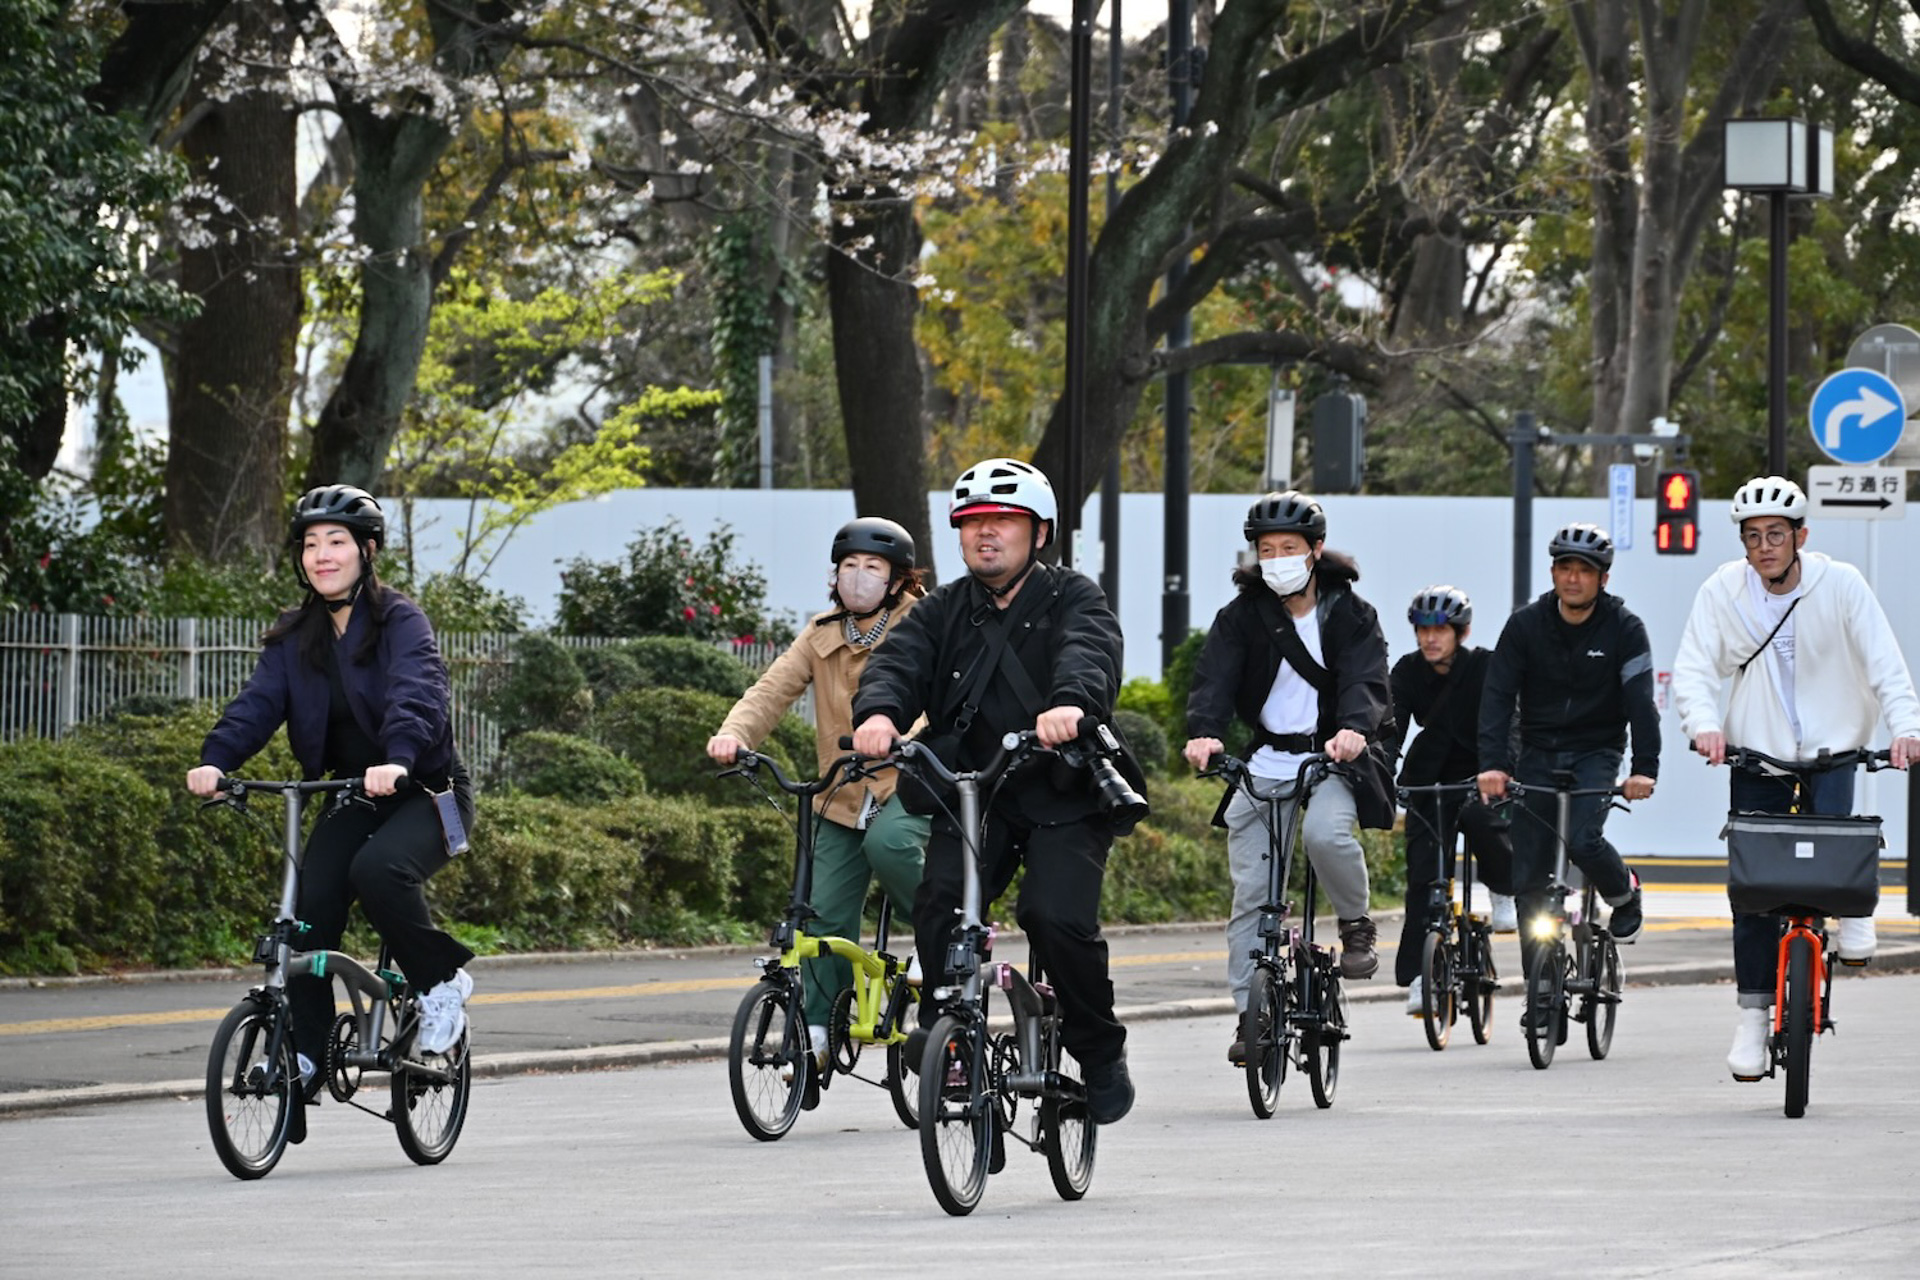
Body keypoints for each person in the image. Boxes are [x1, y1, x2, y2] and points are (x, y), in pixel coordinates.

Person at [851, 457, 1137, 1125]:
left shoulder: (1075, 596)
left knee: (1054, 917)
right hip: (978, 791)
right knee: (940, 901)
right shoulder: (942, 610)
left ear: (1039, 533)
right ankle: (945, 1024)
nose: (986, 533)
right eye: (973, 522)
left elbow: (1090, 652)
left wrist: (1071, 704)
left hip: (1064, 789)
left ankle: (1099, 1051)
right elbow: (897, 662)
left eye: (1004, 520)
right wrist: (880, 714)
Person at [187, 486, 476, 1139]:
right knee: (308, 910)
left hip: (427, 791)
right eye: (311, 544)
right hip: (352, 793)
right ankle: (308, 1056)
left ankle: (440, 983)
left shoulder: (401, 621)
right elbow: (257, 704)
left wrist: (398, 757)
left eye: (336, 542)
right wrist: (216, 760)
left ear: (367, 551)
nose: (322, 555)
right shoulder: (296, 636)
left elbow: (417, 694)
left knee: (378, 870)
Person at [1670, 475, 1920, 1080]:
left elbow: (1884, 662)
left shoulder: (1842, 584)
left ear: (1800, 537)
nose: (1764, 547)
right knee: (1753, 893)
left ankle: (1855, 912)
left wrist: (1906, 727)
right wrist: (1705, 726)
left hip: (1834, 746)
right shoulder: (1723, 591)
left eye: (1776, 534)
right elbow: (1694, 667)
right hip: (1758, 754)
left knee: (1838, 843)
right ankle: (1753, 1019)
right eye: (1753, 536)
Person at [707, 518, 930, 1100]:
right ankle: (817, 1035)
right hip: (842, 791)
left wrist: (905, 739)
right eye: (849, 566)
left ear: (898, 580)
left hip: (907, 785)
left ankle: (946, 935)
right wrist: (733, 734)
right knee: (819, 913)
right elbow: (771, 690)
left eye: (873, 567)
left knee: (891, 845)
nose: (858, 577)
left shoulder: (923, 624)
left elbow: (939, 702)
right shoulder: (820, 633)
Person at [1182, 490, 1397, 1067]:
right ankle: (1249, 1015)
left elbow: (1366, 680)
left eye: (1289, 548)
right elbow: (1213, 681)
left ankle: (1355, 923)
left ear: (1315, 550)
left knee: (1325, 834)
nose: (1276, 559)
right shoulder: (1242, 616)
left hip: (1331, 758)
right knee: (1252, 897)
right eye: (1267, 549)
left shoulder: (1351, 614)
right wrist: (1204, 733)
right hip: (1266, 761)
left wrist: (1353, 730)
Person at [1477, 522, 1656, 1015]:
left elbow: (1641, 702)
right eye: (1565, 568)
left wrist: (1645, 768)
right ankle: (1539, 990)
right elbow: (1496, 699)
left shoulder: (1624, 629)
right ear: (1553, 572)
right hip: (1537, 752)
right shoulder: (1525, 626)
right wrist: (1493, 764)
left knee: (1582, 839)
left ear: (1603, 579)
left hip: (1597, 751)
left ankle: (1624, 892)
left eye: (1585, 571)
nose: (1573, 578)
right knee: (1529, 876)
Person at [1383, 585, 1517, 1017]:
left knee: (1483, 820)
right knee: (1423, 877)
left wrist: (1501, 769)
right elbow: (1390, 728)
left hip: (1482, 771)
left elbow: (1506, 723)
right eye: (1423, 630)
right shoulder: (1407, 671)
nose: (1429, 638)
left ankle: (1502, 889)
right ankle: (1420, 977)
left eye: (1439, 630)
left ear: (1462, 632)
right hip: (1429, 777)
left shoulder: (1485, 666)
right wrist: (1381, 772)